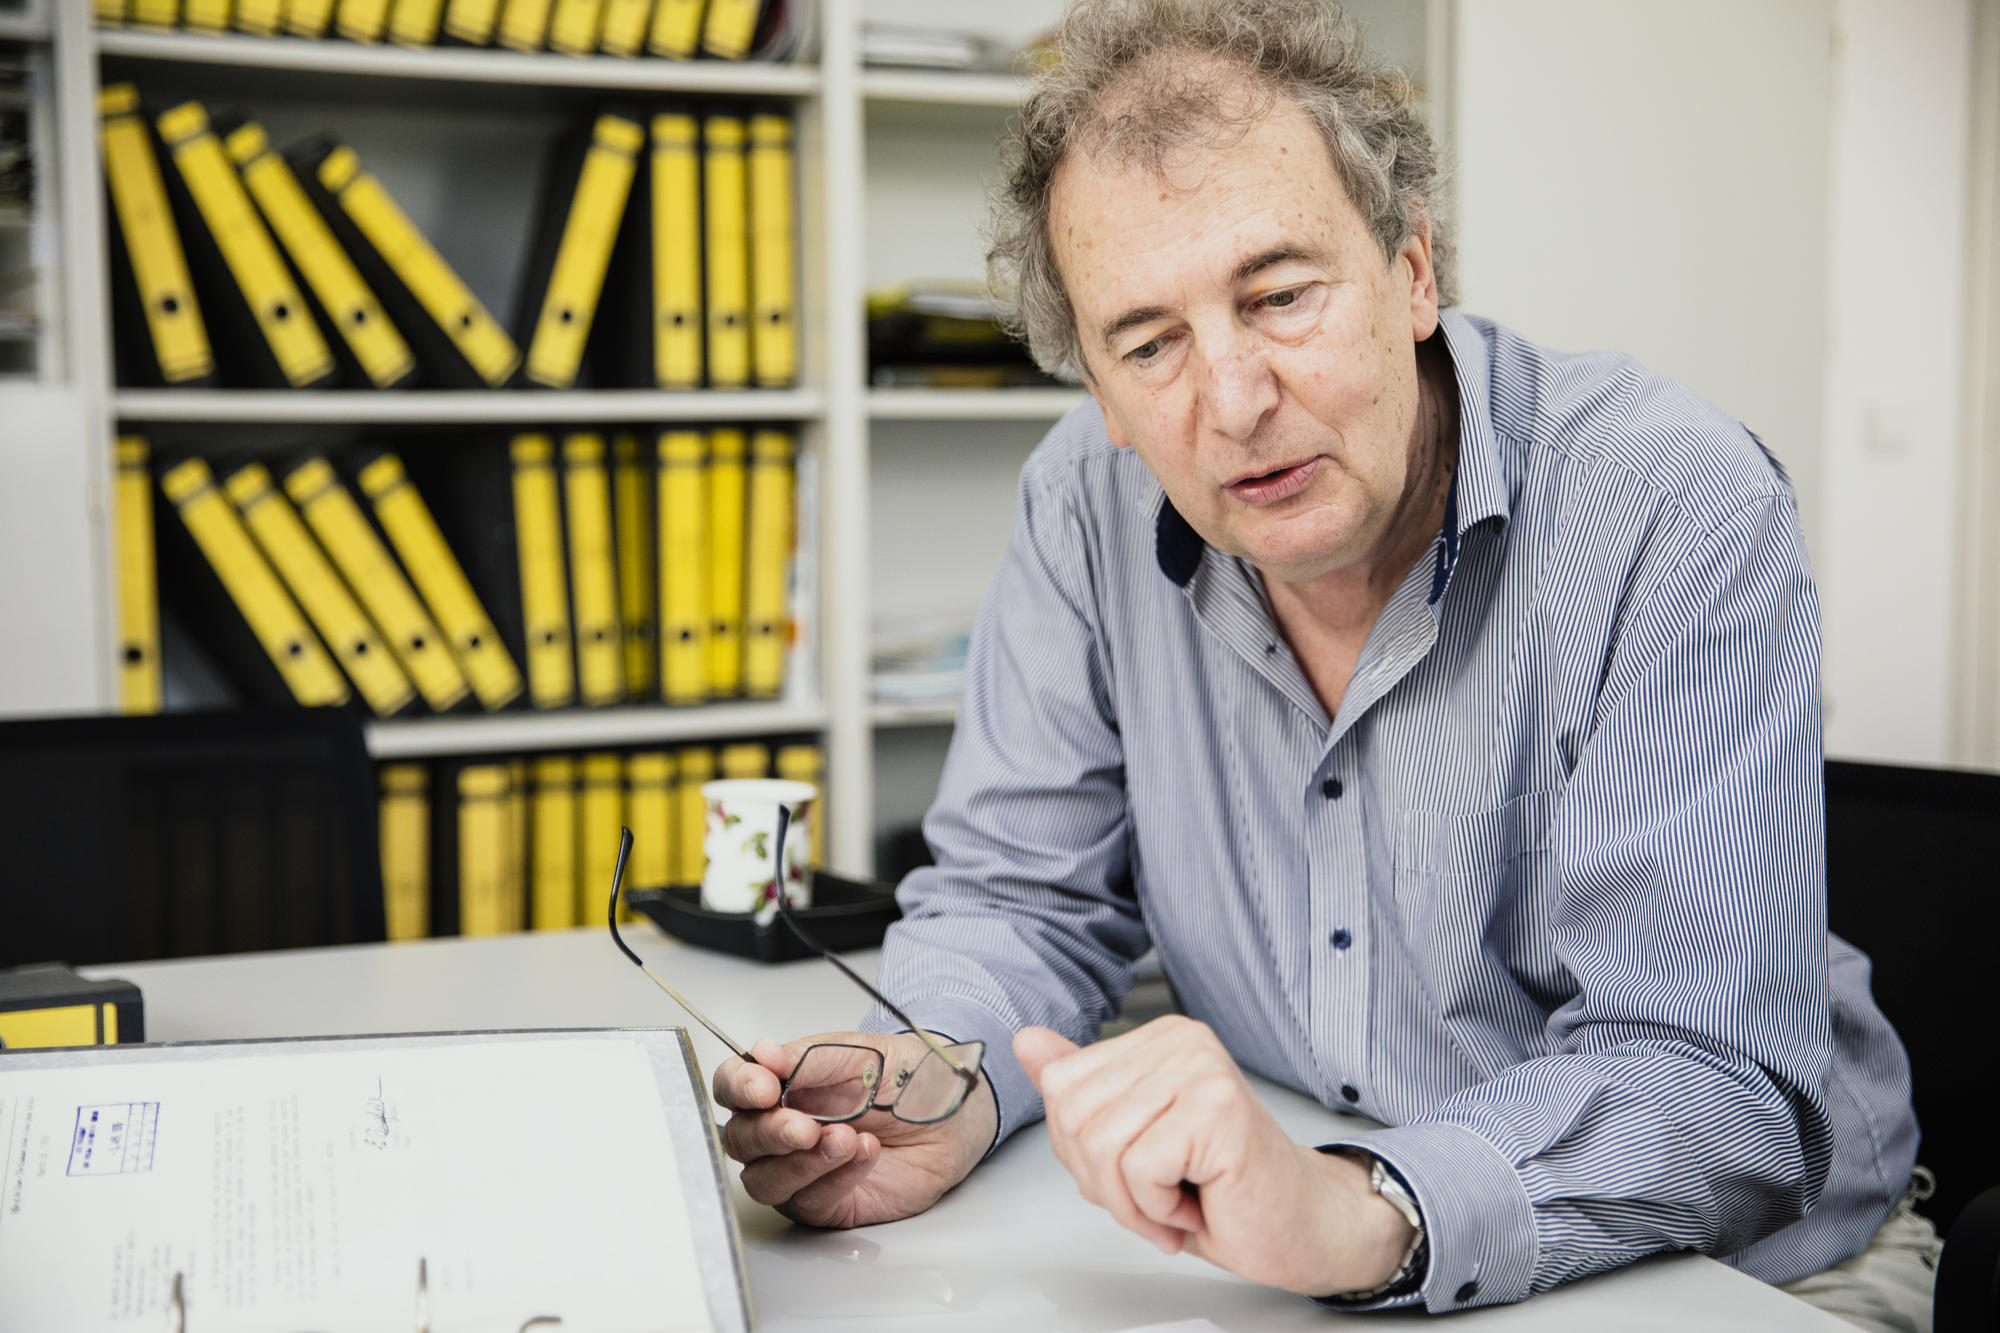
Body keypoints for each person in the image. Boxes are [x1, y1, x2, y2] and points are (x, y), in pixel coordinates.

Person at [712, 1, 1934, 1326]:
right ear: (1104, 402)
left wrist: (1359, 1205)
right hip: (1308, 1250)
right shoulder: (1082, 505)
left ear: (1414, 272)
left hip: (1742, 1274)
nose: (1233, 400)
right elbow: (1022, 898)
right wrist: (932, 1081)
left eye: (1281, 293)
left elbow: (1709, 1077)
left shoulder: (1672, 505)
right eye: (1149, 344)